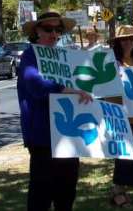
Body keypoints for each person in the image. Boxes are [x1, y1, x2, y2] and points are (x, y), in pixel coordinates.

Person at [18, 11, 93, 211]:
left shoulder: (64, 56)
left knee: (66, 191)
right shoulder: (29, 55)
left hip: (68, 134)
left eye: (57, 30)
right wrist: (64, 89)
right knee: (41, 194)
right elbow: (35, 84)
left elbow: (86, 79)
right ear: (37, 32)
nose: (53, 34)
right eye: (48, 29)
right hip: (42, 136)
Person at [107, 25, 133, 207]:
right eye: (124, 39)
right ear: (118, 43)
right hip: (118, 115)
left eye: (131, 39)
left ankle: (121, 189)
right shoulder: (111, 62)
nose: (128, 42)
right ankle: (117, 191)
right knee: (124, 154)